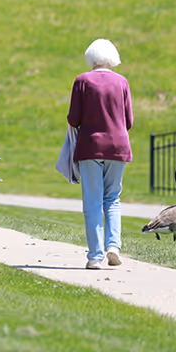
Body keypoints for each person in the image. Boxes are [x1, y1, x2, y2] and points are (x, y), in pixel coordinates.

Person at [67, 38, 133, 270]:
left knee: (93, 202)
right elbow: (129, 120)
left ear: (90, 57)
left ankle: (95, 255)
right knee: (112, 198)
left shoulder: (82, 81)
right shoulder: (122, 81)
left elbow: (73, 119)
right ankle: (113, 246)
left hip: (90, 147)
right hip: (118, 147)